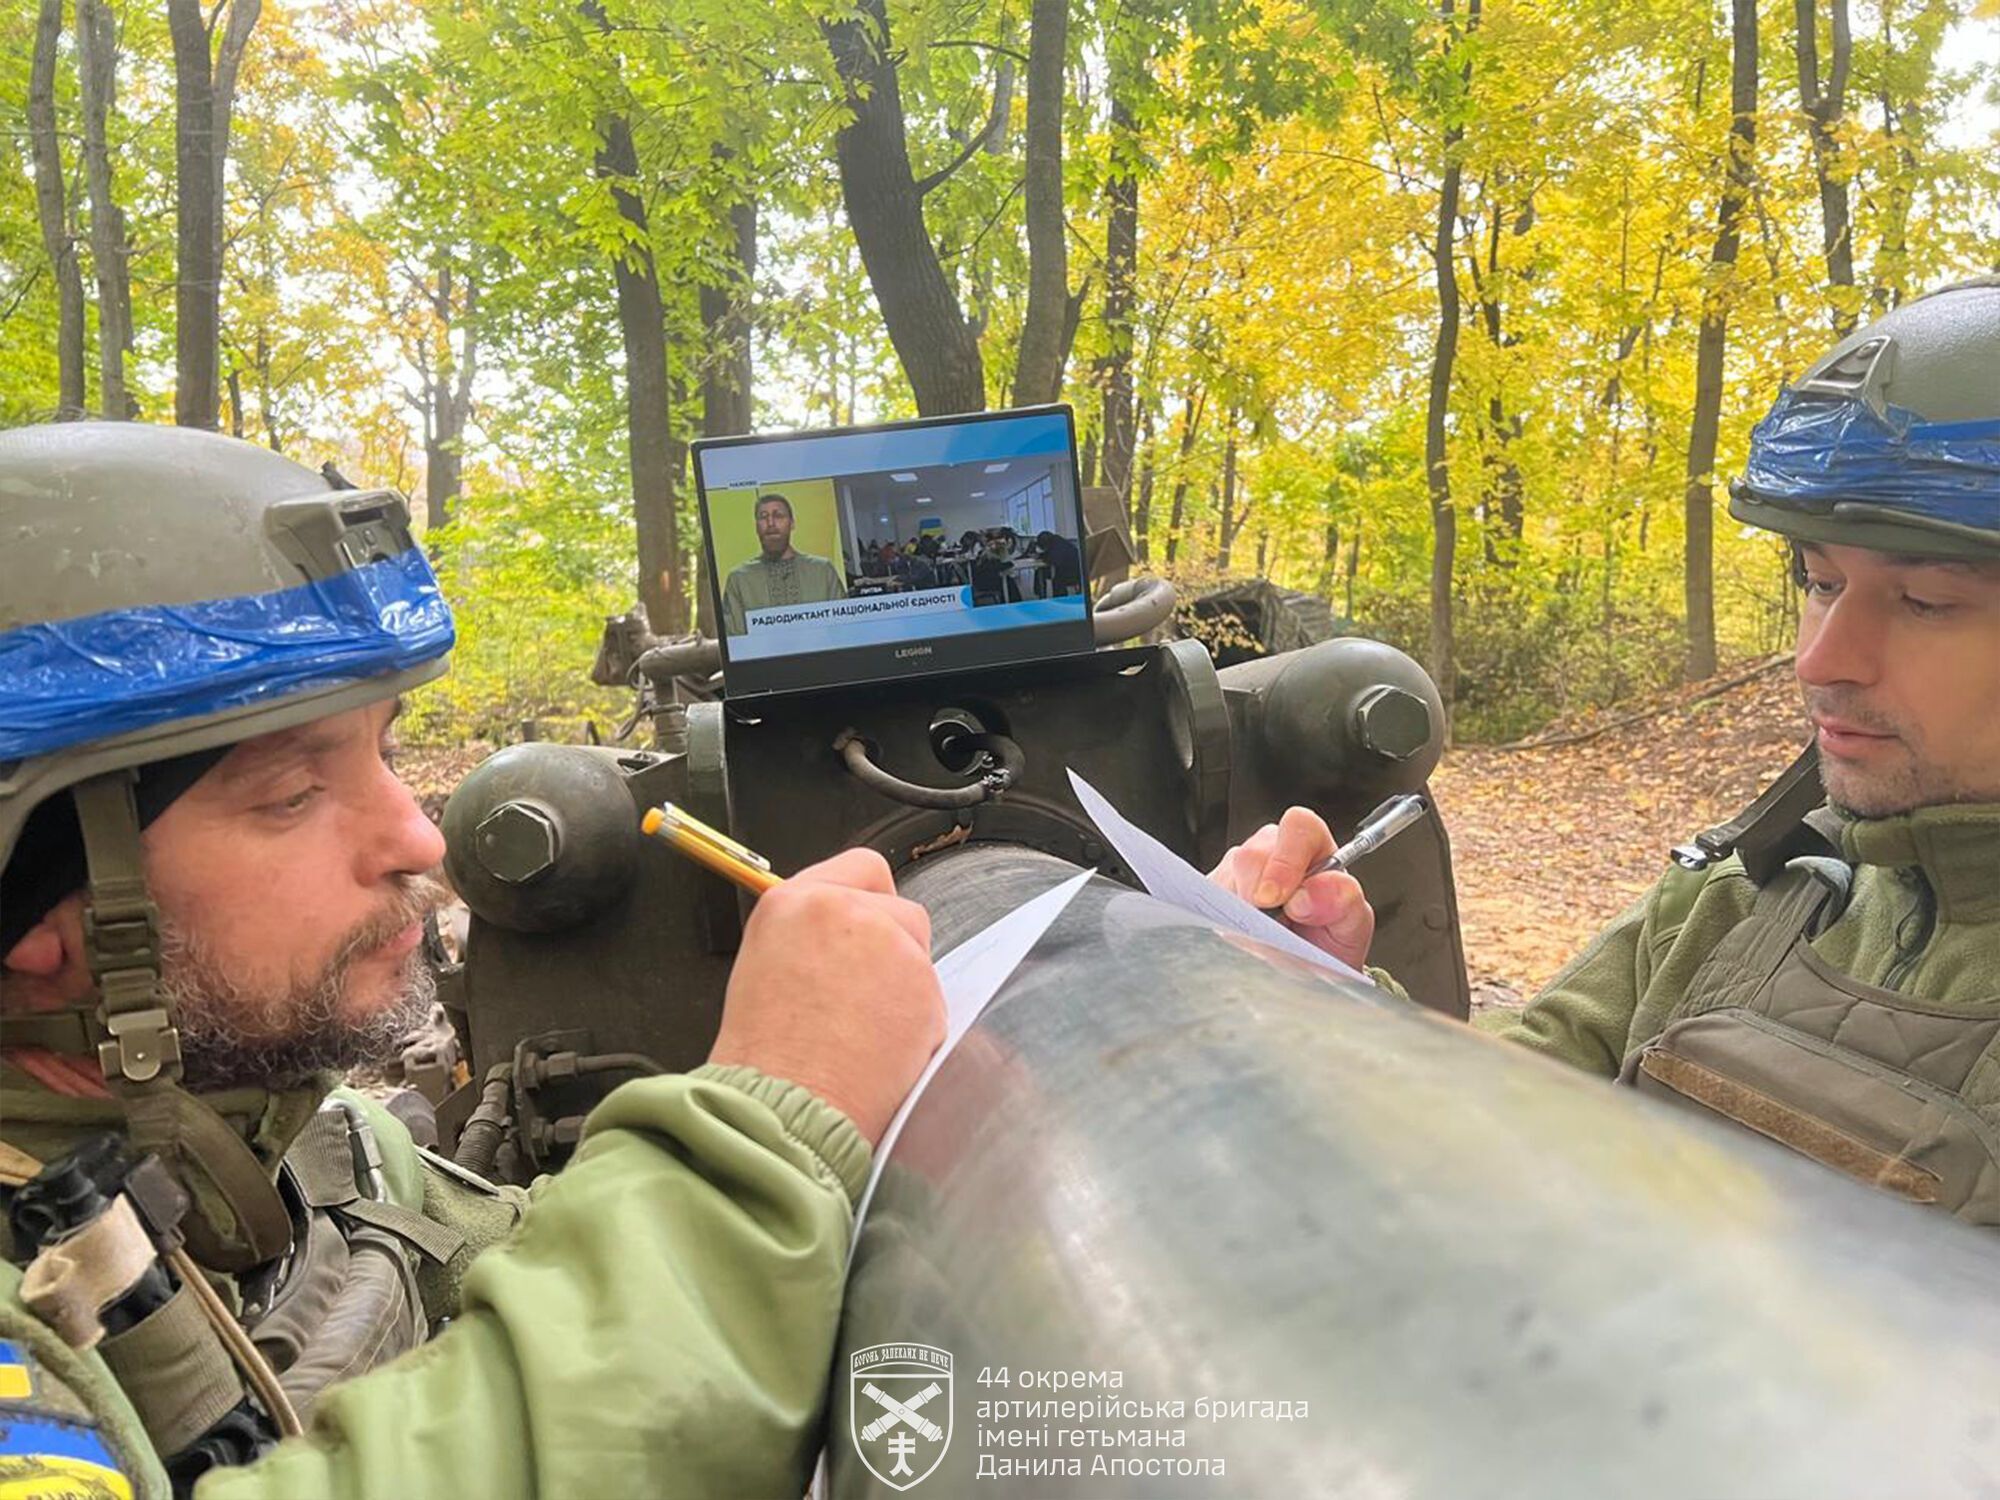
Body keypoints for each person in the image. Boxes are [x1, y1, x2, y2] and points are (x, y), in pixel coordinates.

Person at [0, 423, 945, 1497]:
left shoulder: (314, 1155)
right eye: (293, 794)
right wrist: (774, 1123)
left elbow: (548, 1272)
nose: (417, 837)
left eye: (387, 749)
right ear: (35, 908)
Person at [1213, 278, 2000, 1225]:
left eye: (1926, 603)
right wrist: (1322, 994)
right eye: (1820, 581)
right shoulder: (1749, 891)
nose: (1820, 658)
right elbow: (1503, 1119)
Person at [718, 493, 846, 636]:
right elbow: (735, 641)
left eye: (778, 516)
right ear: (756, 527)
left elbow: (843, 631)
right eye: (763, 517)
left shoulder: (822, 570)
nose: (771, 523)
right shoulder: (739, 579)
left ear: (792, 523)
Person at [1033, 530, 1083, 596]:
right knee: (1044, 572)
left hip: (1070, 574)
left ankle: (1042, 595)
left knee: (1042, 572)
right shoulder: (1059, 542)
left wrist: (1042, 557)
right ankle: (1041, 594)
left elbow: (1054, 560)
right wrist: (1042, 556)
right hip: (1077, 572)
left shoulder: (1056, 546)